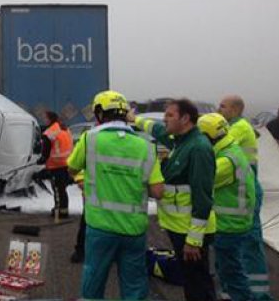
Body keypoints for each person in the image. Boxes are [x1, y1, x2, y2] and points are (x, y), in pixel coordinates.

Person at [68, 91, 164, 300]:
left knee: (94, 281)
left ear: (100, 113)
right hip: (133, 229)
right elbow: (158, 191)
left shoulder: (90, 139)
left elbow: (72, 169)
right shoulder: (146, 146)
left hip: (100, 228)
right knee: (134, 286)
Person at [130, 99, 217, 301]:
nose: (164, 119)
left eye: (170, 115)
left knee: (198, 285)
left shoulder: (198, 148)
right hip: (178, 227)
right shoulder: (181, 141)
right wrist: (135, 119)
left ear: (185, 119)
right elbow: (158, 129)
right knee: (191, 281)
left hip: (190, 233)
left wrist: (194, 240)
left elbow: (203, 198)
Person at [196, 113, 258, 301]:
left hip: (230, 225)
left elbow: (200, 181)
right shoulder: (231, 150)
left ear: (208, 137)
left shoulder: (226, 161)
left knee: (232, 273)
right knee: (227, 270)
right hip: (234, 222)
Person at [217, 95, 273, 300]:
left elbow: (219, 142)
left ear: (235, 109)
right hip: (240, 187)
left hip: (245, 189)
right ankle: (232, 290)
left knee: (250, 242)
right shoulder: (238, 125)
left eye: (223, 106)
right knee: (239, 244)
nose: (219, 109)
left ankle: (258, 295)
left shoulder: (238, 127)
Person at [41, 111, 74, 218]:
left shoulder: (49, 132)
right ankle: (63, 209)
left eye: (45, 118)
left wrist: (42, 160)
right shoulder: (64, 129)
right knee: (62, 189)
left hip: (56, 164)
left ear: (50, 119)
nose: (43, 120)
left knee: (57, 189)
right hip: (66, 163)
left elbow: (45, 151)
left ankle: (59, 210)